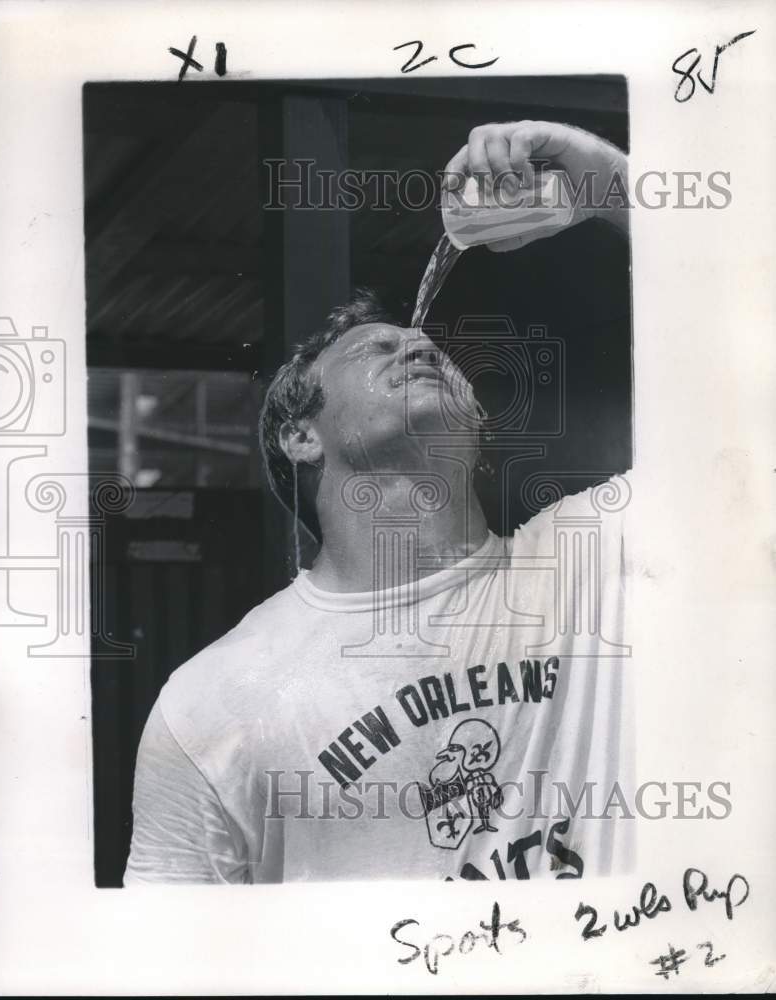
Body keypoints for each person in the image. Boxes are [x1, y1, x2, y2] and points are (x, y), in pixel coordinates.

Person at [124, 120, 636, 884]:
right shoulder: (212, 703)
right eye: (374, 349)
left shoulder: (594, 562)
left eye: (427, 345)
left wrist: (607, 180)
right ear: (301, 436)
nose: (420, 345)